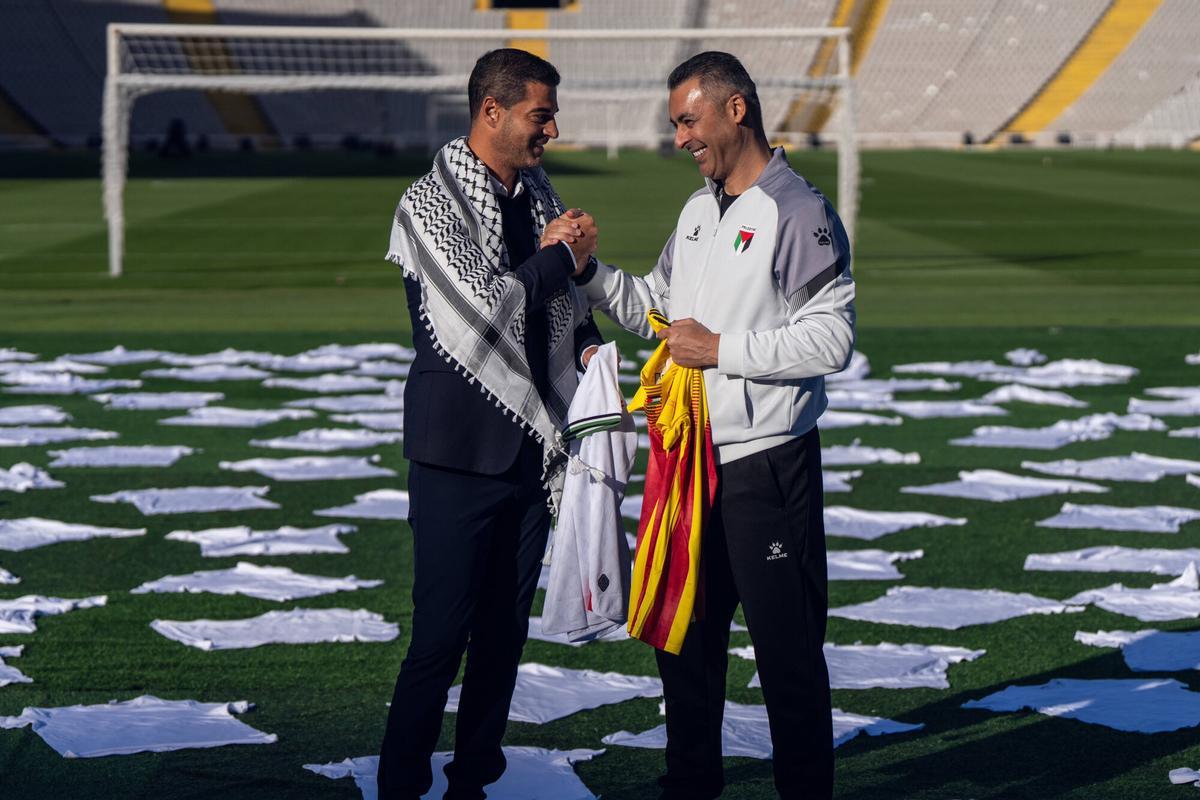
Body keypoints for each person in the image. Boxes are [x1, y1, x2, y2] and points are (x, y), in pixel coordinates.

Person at [576, 52, 856, 800]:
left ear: (737, 111)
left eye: (688, 121)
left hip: (767, 470)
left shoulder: (797, 211)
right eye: (675, 124)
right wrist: (590, 273)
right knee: (685, 648)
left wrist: (721, 352)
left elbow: (833, 341)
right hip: (687, 468)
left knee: (787, 656)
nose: (679, 138)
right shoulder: (699, 211)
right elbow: (659, 315)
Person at [377, 48, 601, 800]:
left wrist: (591, 341)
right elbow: (482, 309)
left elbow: (564, 304)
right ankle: (401, 780)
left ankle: (475, 778)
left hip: (532, 451)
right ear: (493, 112)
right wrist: (555, 260)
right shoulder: (428, 200)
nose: (553, 131)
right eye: (542, 115)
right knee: (440, 636)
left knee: (504, 637)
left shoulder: (538, 191)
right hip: (456, 453)